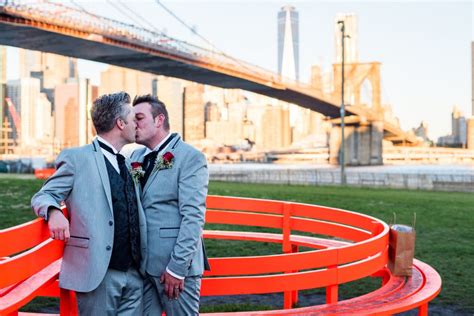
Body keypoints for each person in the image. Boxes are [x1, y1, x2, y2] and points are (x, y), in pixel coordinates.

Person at [31, 92, 147, 315]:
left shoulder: (128, 161)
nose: (136, 124)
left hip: (134, 273)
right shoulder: (77, 158)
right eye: (133, 118)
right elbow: (43, 196)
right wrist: (54, 212)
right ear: (120, 123)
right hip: (98, 273)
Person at [132, 94, 209, 315]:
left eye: (139, 117)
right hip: (142, 267)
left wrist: (177, 268)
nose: (133, 124)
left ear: (159, 120)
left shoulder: (189, 157)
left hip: (173, 268)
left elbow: (193, 217)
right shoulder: (134, 157)